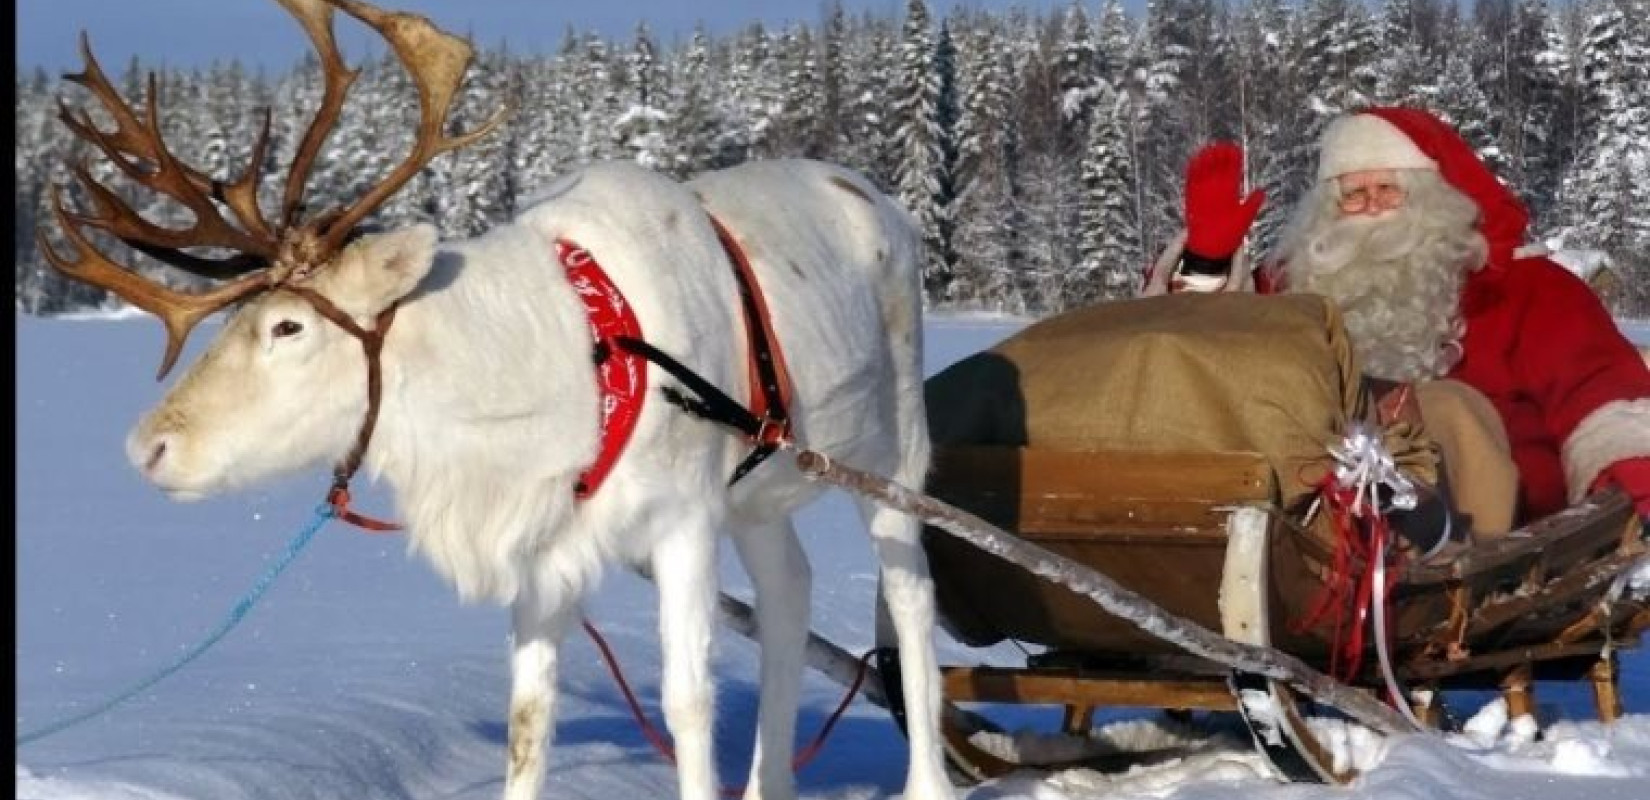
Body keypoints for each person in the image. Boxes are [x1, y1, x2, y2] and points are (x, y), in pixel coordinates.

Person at [1151, 105, 1650, 531]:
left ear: (1433, 199)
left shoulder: (1526, 288)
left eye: (1389, 190)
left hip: (1493, 542)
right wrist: (1208, 261)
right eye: (1353, 194)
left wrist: (1632, 504)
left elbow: (1605, 399)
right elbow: (1201, 356)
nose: (1371, 209)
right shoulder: (1292, 289)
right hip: (1300, 530)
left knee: (1448, 408)